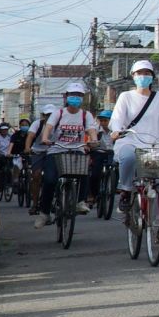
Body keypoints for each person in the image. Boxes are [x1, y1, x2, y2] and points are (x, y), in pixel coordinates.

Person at [108, 59, 159, 214]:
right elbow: (117, 119)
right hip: (131, 141)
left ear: (152, 77)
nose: (143, 76)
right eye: (139, 73)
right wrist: (116, 130)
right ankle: (126, 190)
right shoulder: (125, 96)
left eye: (147, 73)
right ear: (133, 76)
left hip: (156, 144)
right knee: (128, 157)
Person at [34, 82, 98, 228]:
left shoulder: (85, 115)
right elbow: (49, 127)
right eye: (73, 95)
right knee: (50, 180)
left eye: (79, 95)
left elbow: (91, 129)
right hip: (56, 150)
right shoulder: (59, 113)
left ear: (83, 98)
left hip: (77, 150)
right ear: (66, 97)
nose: (76, 98)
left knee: (84, 173)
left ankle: (80, 201)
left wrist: (93, 140)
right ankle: (44, 213)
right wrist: (45, 138)